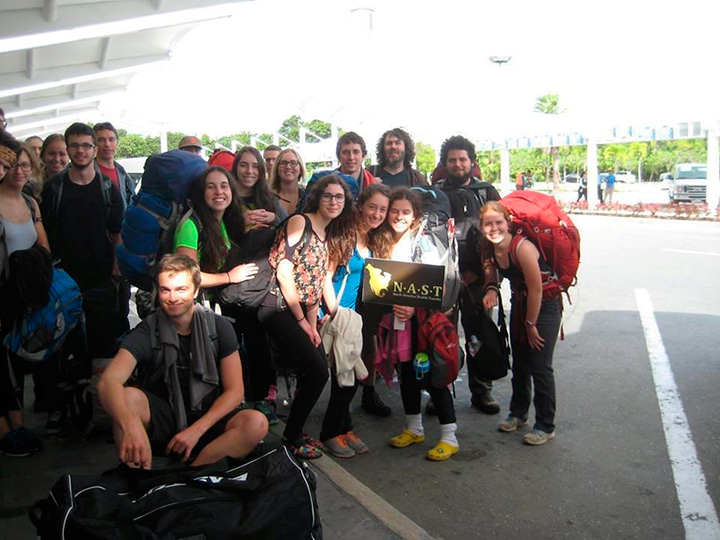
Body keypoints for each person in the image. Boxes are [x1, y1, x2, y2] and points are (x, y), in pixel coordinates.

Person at [98, 254, 268, 469]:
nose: (172, 298)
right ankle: (141, 477)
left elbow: (235, 391)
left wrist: (197, 430)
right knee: (126, 399)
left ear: (195, 291)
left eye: (181, 290)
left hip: (207, 416)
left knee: (256, 423)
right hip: (163, 415)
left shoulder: (219, 328)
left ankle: (195, 473)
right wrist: (129, 424)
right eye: (165, 290)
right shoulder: (148, 330)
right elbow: (108, 381)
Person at [258, 175, 355, 459]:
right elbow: (284, 272)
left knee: (313, 370)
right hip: (278, 308)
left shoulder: (328, 232)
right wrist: (302, 322)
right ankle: (291, 438)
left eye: (339, 197)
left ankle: (295, 432)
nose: (334, 201)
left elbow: (316, 283)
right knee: (317, 372)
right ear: (317, 197)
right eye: (328, 196)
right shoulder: (301, 222)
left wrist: (314, 324)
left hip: (302, 312)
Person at [40, 122, 126, 439]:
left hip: (101, 281)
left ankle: (101, 411)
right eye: (74, 145)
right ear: (67, 148)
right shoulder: (54, 189)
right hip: (63, 283)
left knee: (103, 349)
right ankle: (61, 409)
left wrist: (115, 274)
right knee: (62, 348)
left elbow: (117, 234)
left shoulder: (107, 188)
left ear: (94, 148)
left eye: (86, 145)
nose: (80, 151)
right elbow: (44, 234)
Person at [372, 188, 459, 461]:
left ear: (415, 215)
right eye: (394, 211)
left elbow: (435, 283)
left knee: (432, 377)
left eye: (406, 212)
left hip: (422, 325)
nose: (399, 216)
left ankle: (449, 437)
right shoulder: (384, 240)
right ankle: (414, 428)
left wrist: (414, 306)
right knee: (407, 375)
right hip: (397, 323)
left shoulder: (423, 242)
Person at [479, 201, 561, 446]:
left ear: (508, 223)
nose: (494, 228)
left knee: (540, 366)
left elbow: (537, 290)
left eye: (498, 222)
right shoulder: (489, 248)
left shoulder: (522, 248)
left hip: (544, 305)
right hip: (521, 303)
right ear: (481, 226)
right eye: (488, 224)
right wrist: (491, 290)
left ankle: (545, 425)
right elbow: (491, 277)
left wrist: (531, 325)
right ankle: (518, 414)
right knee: (521, 363)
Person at [319, 183, 392, 457]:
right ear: (360, 206)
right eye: (372, 207)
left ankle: (344, 427)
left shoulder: (372, 238)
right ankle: (330, 433)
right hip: (339, 314)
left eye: (382, 209)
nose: (377, 214)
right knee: (342, 378)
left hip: (357, 317)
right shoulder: (345, 235)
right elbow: (325, 275)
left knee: (350, 376)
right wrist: (334, 312)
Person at [436, 135, 501, 414]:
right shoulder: (435, 193)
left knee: (480, 335)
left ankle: (482, 391)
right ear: (444, 163)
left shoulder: (486, 192)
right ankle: (440, 391)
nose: (457, 164)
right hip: (444, 280)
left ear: (472, 162)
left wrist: (485, 278)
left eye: (462, 159)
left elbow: (499, 235)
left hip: (478, 280)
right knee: (441, 336)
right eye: (452, 160)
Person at [0, 130, 49, 456]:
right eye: (12, 165)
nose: (18, 171)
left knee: (13, 363)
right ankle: (5, 431)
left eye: (24, 165)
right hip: (2, 293)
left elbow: (44, 247)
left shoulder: (31, 203)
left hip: (22, 297)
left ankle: (17, 423)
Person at [227, 147, 281, 421]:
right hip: (231, 281)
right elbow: (214, 233)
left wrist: (274, 218)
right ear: (235, 167)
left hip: (262, 283)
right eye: (244, 165)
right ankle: (233, 398)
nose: (249, 171)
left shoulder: (267, 198)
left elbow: (291, 228)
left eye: (255, 166)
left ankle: (263, 398)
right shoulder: (226, 196)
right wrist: (239, 222)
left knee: (259, 342)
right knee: (231, 343)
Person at [173, 166, 258, 292]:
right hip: (194, 302)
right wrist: (229, 277)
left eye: (224, 186)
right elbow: (188, 276)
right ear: (201, 193)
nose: (219, 191)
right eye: (211, 187)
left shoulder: (222, 222)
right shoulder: (189, 226)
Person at [93, 122, 135, 208]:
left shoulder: (124, 176)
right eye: (101, 140)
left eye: (111, 139)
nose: (107, 144)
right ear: (94, 144)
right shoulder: (85, 172)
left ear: (117, 144)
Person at [268, 148, 308, 217]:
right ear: (277, 168)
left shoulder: (308, 197)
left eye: (293, 163)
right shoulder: (267, 197)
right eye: (283, 163)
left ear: (300, 169)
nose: (288, 167)